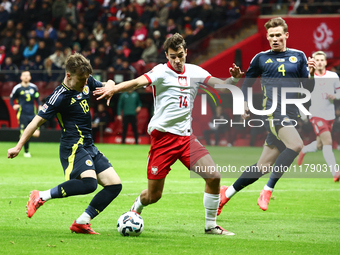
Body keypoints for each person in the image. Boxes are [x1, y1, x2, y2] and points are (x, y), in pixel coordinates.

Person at [94, 33, 243, 236]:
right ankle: (136, 208)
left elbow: (222, 88)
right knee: (154, 196)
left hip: (186, 138)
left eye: (180, 55)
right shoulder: (160, 72)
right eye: (172, 56)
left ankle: (210, 226)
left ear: (186, 52)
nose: (177, 60)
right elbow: (137, 82)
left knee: (214, 176)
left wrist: (234, 78)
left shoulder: (195, 71)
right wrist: (114, 89)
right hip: (163, 139)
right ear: (166, 55)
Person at [7, 53, 122, 235]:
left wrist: (110, 84)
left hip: (89, 145)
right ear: (69, 75)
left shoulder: (86, 80)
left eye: (87, 79)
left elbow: (107, 85)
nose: (85, 83)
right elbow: (36, 122)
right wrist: (18, 146)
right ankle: (41, 196)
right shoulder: (58, 96)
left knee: (115, 185)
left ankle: (82, 221)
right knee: (90, 184)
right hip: (72, 146)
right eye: (82, 80)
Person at [218, 17, 316, 214]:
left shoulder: (299, 57)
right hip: (271, 112)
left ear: (286, 35)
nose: (275, 39)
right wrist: (244, 102)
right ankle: (267, 190)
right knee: (296, 145)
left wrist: (311, 75)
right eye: (271, 36)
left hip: (290, 115)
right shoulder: (260, 58)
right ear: (267, 37)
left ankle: (225, 194)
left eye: (278, 35)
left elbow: (308, 88)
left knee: (263, 166)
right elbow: (246, 83)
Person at [296, 51, 340, 181]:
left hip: (330, 115)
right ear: (313, 62)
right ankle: (335, 172)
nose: (320, 62)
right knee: (328, 142)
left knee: (321, 145)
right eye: (317, 60)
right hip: (316, 114)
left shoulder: (333, 76)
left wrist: (335, 96)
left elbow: (339, 92)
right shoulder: (309, 77)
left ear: (326, 62)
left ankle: (304, 150)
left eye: (322, 60)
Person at [10, 71, 42, 157]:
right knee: (26, 133)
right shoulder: (17, 88)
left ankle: (24, 134)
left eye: (27, 75)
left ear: (30, 77)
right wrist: (13, 105)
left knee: (36, 134)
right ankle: (26, 151)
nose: (26, 77)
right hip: (22, 114)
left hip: (32, 113)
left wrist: (39, 106)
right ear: (21, 77)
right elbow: (11, 99)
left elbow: (37, 99)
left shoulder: (34, 87)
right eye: (24, 75)